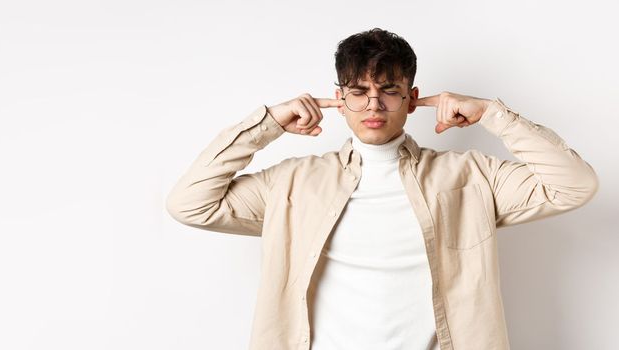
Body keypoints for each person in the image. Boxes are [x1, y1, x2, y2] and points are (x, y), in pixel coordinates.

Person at [164, 27, 599, 350]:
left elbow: (574, 186)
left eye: (388, 90)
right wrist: (267, 124)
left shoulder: (469, 177)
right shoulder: (293, 182)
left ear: (411, 98)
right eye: (359, 92)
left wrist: (491, 113)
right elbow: (190, 204)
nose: (373, 105)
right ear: (339, 99)